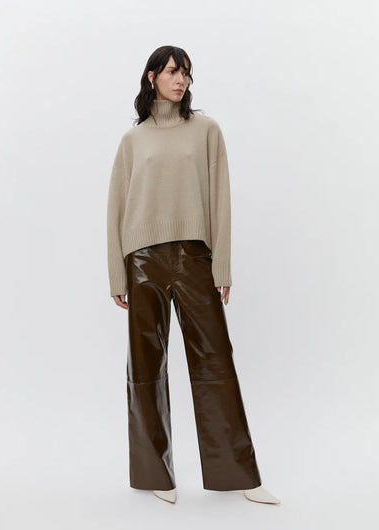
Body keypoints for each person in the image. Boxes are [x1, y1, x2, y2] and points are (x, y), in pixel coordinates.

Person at [107, 45, 280, 506]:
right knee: (145, 368)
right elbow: (116, 210)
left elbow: (220, 199)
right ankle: (155, 474)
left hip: (194, 258)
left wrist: (221, 264)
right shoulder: (133, 140)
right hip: (142, 260)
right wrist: (117, 275)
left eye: (185, 73)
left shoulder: (206, 131)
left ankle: (240, 475)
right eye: (171, 71)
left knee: (215, 363)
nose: (180, 80)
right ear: (151, 77)